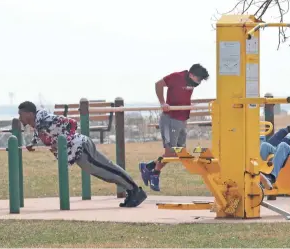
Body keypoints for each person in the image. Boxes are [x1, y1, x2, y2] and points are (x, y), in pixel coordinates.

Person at [18, 101, 147, 208]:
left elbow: (72, 124)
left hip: (80, 147)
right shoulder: (38, 123)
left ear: (29, 114)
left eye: (21, 114)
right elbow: (42, 133)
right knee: (105, 173)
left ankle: (135, 190)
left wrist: (65, 143)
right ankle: (132, 191)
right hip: (77, 151)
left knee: (107, 169)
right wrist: (33, 143)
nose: (19, 118)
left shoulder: (46, 119)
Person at [139, 63, 210, 191]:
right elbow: (158, 84)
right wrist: (162, 102)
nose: (198, 83)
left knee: (179, 152)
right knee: (170, 152)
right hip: (170, 118)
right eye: (198, 79)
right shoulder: (177, 77)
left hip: (182, 119)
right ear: (191, 74)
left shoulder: (191, 82)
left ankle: (148, 167)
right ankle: (155, 173)